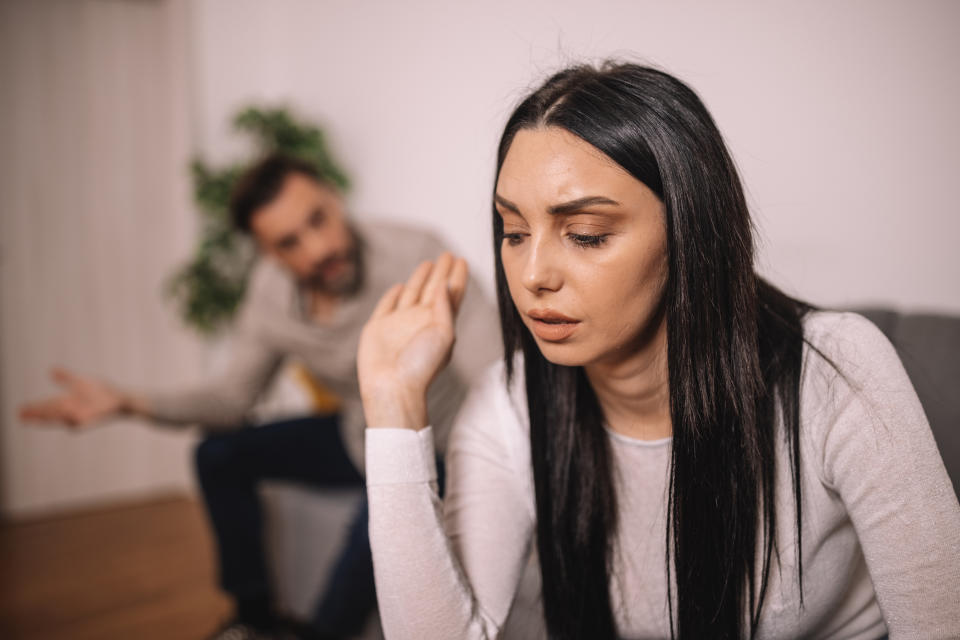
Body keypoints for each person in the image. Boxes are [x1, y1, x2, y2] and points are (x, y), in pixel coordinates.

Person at [356, 63, 960, 639]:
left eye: (586, 235)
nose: (533, 273)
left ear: (688, 234)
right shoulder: (509, 404)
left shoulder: (836, 371)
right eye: (514, 232)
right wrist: (392, 405)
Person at [19, 154, 500, 640]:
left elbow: (496, 379)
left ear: (334, 198)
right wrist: (127, 402)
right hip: (358, 434)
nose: (317, 249)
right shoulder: (271, 297)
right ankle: (254, 618)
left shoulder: (417, 253)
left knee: (381, 512)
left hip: (442, 445)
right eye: (290, 242)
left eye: (318, 219)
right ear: (269, 253)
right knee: (218, 453)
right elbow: (232, 399)